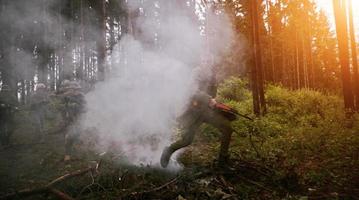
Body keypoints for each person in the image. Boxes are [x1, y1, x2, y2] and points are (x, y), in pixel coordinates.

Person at [160, 71, 236, 168]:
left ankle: (222, 160)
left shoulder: (212, 75)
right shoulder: (196, 73)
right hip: (194, 113)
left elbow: (212, 94)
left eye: (210, 59)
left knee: (227, 128)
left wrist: (216, 105)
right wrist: (208, 99)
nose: (208, 61)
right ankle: (169, 150)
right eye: (205, 58)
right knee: (187, 141)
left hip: (208, 112)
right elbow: (192, 91)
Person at [57, 80, 85, 161]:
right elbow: (60, 107)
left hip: (79, 119)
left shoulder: (81, 96)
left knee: (77, 134)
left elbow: (85, 107)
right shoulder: (65, 96)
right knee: (69, 136)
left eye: (76, 89)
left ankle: (76, 149)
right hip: (68, 119)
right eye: (72, 89)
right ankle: (67, 154)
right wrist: (68, 107)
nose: (74, 91)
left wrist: (79, 107)